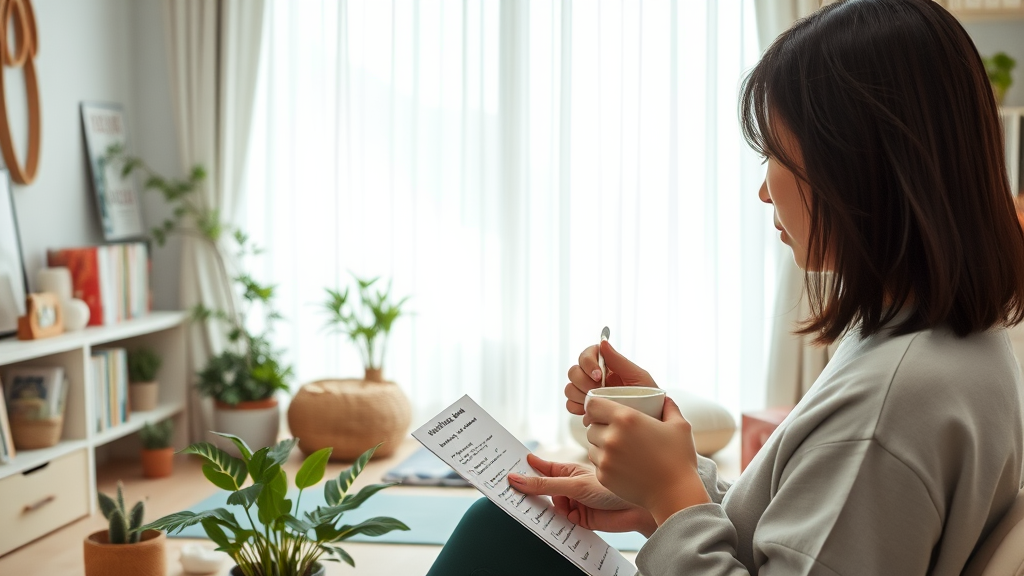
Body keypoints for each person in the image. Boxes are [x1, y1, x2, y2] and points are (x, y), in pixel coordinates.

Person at [426, 0, 1024, 574]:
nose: (765, 191)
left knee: (495, 534)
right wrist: (665, 486)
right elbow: (810, 523)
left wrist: (672, 496)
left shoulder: (893, 404)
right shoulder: (938, 341)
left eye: (774, 154)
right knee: (507, 524)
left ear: (855, 164)